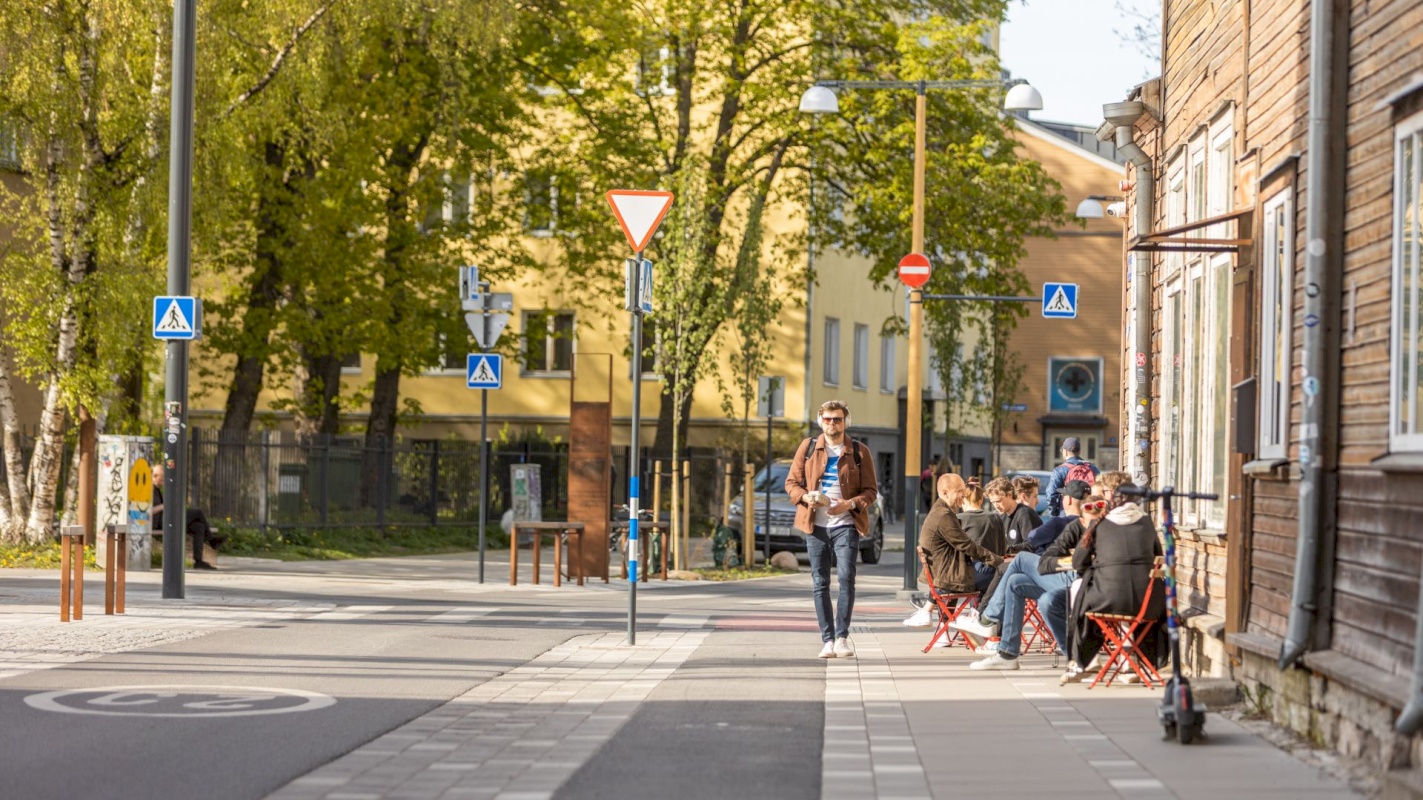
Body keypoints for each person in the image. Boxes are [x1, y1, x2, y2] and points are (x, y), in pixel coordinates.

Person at [785, 400, 878, 660]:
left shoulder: (859, 451)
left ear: (846, 421)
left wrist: (849, 504)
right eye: (827, 419)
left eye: (837, 419)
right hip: (815, 525)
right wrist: (805, 498)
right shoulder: (808, 447)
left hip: (846, 524)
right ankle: (827, 639)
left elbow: (871, 491)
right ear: (820, 421)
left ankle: (842, 637)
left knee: (847, 579)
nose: (832, 424)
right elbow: (791, 482)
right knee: (820, 583)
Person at [1065, 481, 1165, 676]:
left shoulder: (1099, 523)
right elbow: (1157, 557)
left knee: (1082, 588)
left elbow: (1078, 562)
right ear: (1136, 501)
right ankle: (1129, 661)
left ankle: (1088, 658)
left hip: (1107, 600)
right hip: (1148, 602)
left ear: (1113, 501)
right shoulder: (1146, 523)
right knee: (1128, 597)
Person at [917, 473, 1003, 597]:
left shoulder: (940, 511)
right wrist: (998, 561)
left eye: (963, 491)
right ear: (945, 493)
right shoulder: (944, 515)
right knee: (1003, 572)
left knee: (994, 570)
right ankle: (980, 612)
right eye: (959, 491)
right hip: (948, 579)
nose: (963, 495)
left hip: (944, 574)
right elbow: (966, 545)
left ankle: (976, 611)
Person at [151, 463, 221, 570]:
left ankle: (198, 561)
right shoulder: (148, 490)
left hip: (166, 519)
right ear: (155, 475)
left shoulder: (157, 490)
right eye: (162, 477)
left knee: (198, 527)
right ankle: (212, 540)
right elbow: (146, 511)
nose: (164, 480)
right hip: (158, 523)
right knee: (197, 513)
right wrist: (163, 506)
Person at [1044, 437, 1100, 517]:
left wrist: (1054, 514)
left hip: (1066, 513)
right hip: (1088, 512)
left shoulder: (1060, 470)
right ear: (1079, 451)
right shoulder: (1093, 468)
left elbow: (1051, 494)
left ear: (1065, 452)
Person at [984, 476, 1041, 552]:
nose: (996, 506)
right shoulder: (998, 516)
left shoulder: (1025, 513)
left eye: (998, 501)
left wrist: (1007, 550)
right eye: (993, 502)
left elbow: (1032, 544)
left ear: (1009, 495)